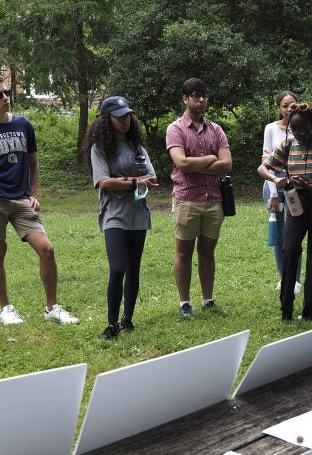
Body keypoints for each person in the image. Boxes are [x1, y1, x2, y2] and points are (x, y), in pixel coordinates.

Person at [0, 74, 78, 327]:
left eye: (7, 92)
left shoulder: (24, 124)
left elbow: (33, 163)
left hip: (21, 199)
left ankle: (52, 307)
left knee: (47, 248)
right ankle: (6, 309)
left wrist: (33, 194)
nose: (5, 98)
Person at [258, 102, 312, 321]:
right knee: (289, 249)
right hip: (296, 202)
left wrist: (311, 185)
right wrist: (277, 179)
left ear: (311, 123)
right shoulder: (288, 145)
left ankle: (311, 312)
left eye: (302, 128)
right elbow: (262, 168)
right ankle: (286, 308)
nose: (299, 133)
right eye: (294, 129)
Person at [86, 96, 158, 341]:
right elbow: (103, 182)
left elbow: (152, 179)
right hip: (114, 215)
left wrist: (122, 181)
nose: (125, 120)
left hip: (138, 214)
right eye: (119, 117)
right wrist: (134, 182)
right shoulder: (100, 149)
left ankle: (128, 320)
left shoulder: (138, 147)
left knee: (133, 268)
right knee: (118, 268)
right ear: (107, 120)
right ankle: (111, 324)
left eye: (127, 115)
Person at [165, 78, 232, 319]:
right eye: (195, 95)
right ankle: (185, 302)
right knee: (183, 252)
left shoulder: (216, 129)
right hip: (186, 198)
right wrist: (210, 160)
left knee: (207, 251)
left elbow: (228, 164)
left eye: (203, 95)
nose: (201, 99)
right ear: (185, 99)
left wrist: (197, 165)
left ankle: (208, 299)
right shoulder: (176, 129)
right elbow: (180, 163)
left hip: (214, 199)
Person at [262, 90, 300, 295]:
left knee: (295, 233)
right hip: (273, 186)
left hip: (296, 186)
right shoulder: (271, 129)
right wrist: (273, 194)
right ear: (279, 108)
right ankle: (284, 276)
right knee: (279, 235)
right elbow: (265, 162)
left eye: (292, 105)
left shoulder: (301, 128)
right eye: (284, 105)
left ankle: (296, 279)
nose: (288, 109)